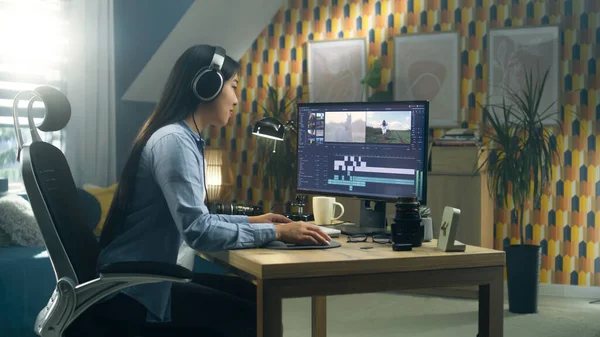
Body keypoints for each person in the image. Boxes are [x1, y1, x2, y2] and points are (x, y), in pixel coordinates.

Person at [71, 45, 331, 337]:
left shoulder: (180, 137)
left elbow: (199, 217)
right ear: (208, 87)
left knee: (253, 295)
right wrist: (278, 232)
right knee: (255, 315)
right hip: (136, 291)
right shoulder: (174, 142)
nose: (236, 99)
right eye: (233, 87)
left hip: (140, 279)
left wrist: (254, 222)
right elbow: (198, 231)